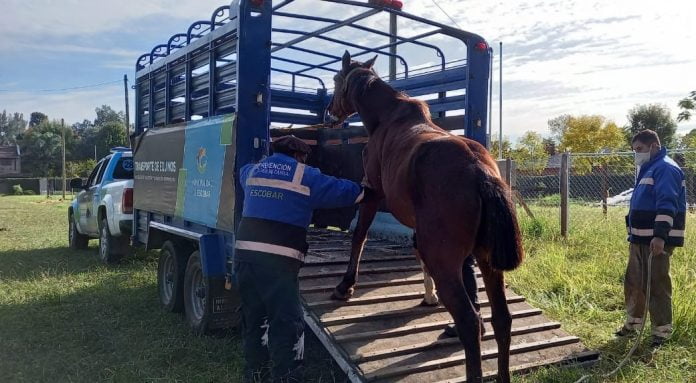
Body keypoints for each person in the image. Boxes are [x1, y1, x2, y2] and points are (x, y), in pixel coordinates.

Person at [233, 135, 366, 382]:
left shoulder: (252, 172)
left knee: (254, 318)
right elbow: (345, 191)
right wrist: (367, 188)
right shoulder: (306, 176)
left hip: (245, 260)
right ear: (299, 156)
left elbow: (242, 170)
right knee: (287, 323)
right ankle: (287, 377)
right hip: (278, 264)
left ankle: (255, 374)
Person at [616, 129, 686, 347]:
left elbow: (667, 203)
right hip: (639, 238)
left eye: (639, 149)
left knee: (656, 283)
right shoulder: (649, 168)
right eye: (634, 150)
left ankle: (661, 331)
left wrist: (660, 236)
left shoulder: (665, 168)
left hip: (655, 240)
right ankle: (634, 322)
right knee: (634, 281)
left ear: (654, 146)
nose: (636, 154)